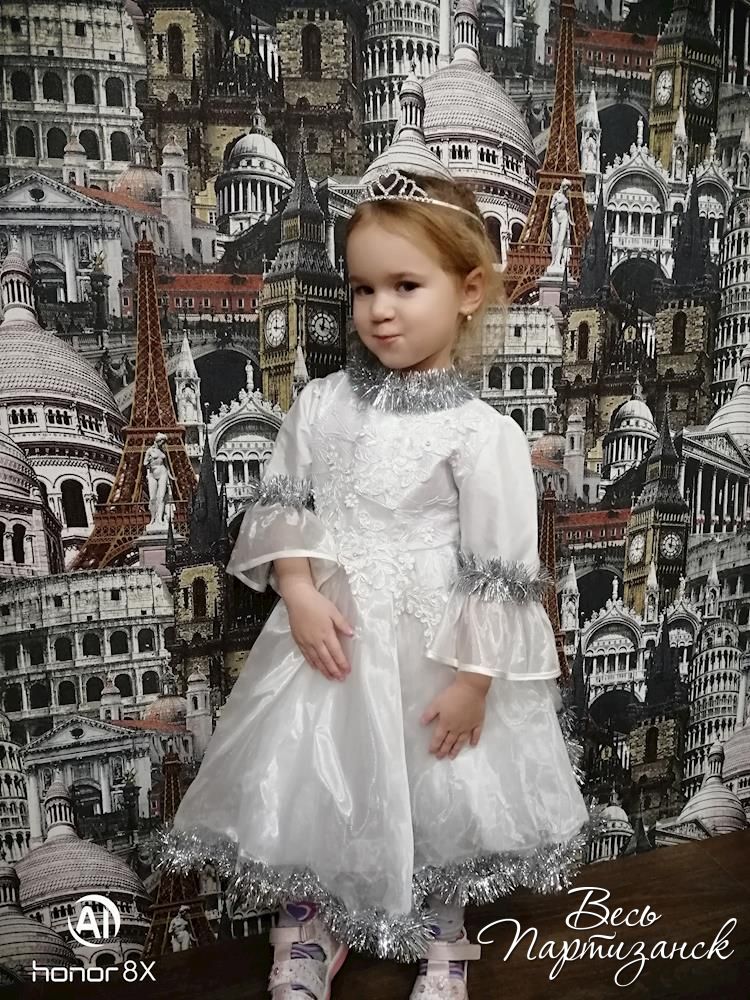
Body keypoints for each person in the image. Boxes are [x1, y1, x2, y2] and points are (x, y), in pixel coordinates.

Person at [159, 169, 591, 1000]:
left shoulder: (483, 433)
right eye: (362, 289)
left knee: (442, 790)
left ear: (468, 292)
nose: (379, 310)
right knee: (315, 783)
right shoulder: (321, 404)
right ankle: (308, 927)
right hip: (333, 637)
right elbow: (285, 503)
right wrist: (297, 588)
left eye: (405, 286)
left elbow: (500, 570)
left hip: (435, 646)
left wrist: (474, 684)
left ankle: (444, 937)